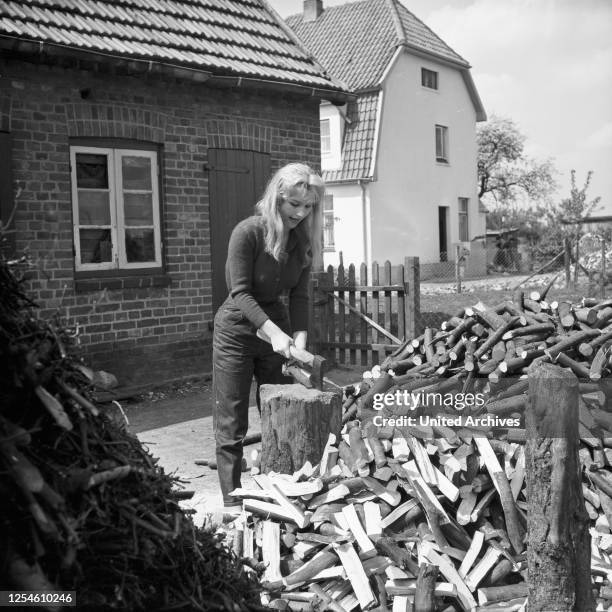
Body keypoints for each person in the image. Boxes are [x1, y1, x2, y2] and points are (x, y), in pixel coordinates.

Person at [212, 162, 325, 510]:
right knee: (232, 421)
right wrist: (274, 333)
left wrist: (299, 339)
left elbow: (301, 295)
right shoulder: (247, 233)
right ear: (277, 198)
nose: (301, 212)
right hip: (237, 329)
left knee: (278, 411)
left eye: (308, 206)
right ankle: (232, 503)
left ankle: (277, 493)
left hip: (276, 326)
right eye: (294, 204)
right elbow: (240, 293)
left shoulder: (302, 240)